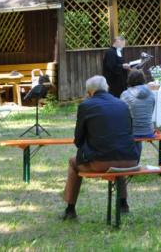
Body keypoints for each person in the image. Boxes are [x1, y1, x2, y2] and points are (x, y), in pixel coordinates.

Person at [62, 76, 140, 220]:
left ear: (89, 92)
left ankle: (70, 209)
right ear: (107, 88)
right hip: (130, 160)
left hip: (101, 162)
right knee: (117, 155)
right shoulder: (122, 104)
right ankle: (123, 204)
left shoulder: (85, 106)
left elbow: (78, 140)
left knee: (73, 162)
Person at [120, 69, 156, 140]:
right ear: (143, 79)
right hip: (149, 131)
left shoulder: (125, 94)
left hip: (131, 132)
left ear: (129, 80)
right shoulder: (151, 93)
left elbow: (121, 113)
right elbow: (151, 111)